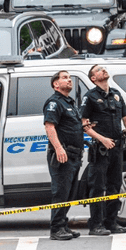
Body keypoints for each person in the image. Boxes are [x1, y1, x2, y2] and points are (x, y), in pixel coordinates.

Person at [80, 64, 126, 236]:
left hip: (117, 148)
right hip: (101, 149)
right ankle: (96, 225)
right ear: (93, 78)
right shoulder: (90, 97)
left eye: (104, 68)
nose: (103, 70)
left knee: (115, 185)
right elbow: (84, 125)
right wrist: (102, 139)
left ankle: (111, 222)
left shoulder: (116, 94)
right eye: (98, 70)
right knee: (97, 187)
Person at [43, 70, 83, 241]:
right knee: (60, 192)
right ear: (56, 84)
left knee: (69, 193)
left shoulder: (69, 102)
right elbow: (49, 127)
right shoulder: (54, 102)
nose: (69, 80)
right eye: (65, 78)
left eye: (69, 78)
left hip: (74, 155)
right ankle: (56, 229)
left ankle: (63, 225)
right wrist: (59, 149)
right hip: (62, 155)